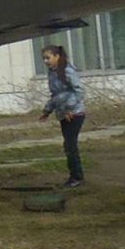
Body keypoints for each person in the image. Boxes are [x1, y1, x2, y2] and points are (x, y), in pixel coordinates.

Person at [40, 43, 87, 188]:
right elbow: (56, 95)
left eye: (48, 58)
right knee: (68, 145)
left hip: (75, 114)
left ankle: (77, 177)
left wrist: (69, 108)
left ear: (57, 56)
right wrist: (47, 111)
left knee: (70, 145)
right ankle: (74, 176)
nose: (45, 61)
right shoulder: (53, 73)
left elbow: (79, 90)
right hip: (63, 115)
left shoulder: (67, 71)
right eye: (44, 58)